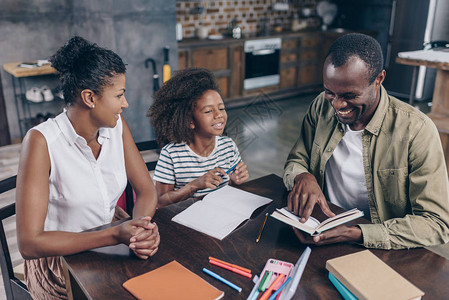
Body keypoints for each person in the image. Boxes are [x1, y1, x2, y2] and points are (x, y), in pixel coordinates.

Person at [16, 36, 160, 300]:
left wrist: (140, 229)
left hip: (114, 240)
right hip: (61, 260)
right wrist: (114, 234)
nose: (124, 104)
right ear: (89, 98)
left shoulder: (117, 126)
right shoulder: (41, 142)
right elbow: (29, 243)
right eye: (119, 95)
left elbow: (147, 191)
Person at [284, 33, 449, 250]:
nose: (338, 105)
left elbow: (436, 223)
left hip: (382, 245)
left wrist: (358, 233)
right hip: (323, 231)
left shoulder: (416, 129)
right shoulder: (320, 106)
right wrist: (302, 175)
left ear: (379, 79)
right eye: (329, 92)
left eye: (350, 95)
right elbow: (297, 159)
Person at [149, 68, 249, 207]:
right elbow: (160, 202)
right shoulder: (171, 154)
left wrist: (235, 180)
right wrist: (195, 185)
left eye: (221, 108)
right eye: (208, 111)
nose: (218, 115)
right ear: (190, 121)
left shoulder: (228, 146)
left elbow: (231, 189)